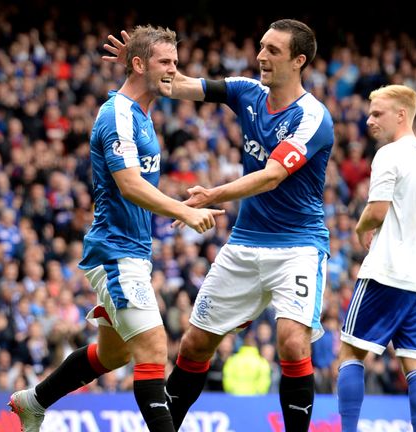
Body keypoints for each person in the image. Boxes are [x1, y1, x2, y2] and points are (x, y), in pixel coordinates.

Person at [104, 19, 333, 431]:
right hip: (245, 244)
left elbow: (272, 174)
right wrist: (139, 69)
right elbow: (179, 85)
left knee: (293, 342)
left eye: (273, 51)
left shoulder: (314, 117)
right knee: (193, 343)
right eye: (261, 46)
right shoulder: (247, 91)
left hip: (298, 246)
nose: (261, 56)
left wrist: (213, 195)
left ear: (299, 61)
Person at [8, 25, 222, 432]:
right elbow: (128, 183)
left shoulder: (141, 110)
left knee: (114, 355)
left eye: (176, 62)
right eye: (166, 63)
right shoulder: (117, 115)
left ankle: (33, 401)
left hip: (135, 250)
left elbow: (171, 88)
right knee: (154, 347)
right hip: (115, 251)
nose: (174, 71)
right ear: (140, 65)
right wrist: (182, 210)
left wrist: (142, 64)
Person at [336, 84, 416, 432]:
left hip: (387, 272)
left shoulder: (390, 154)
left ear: (401, 115)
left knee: (351, 353)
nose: (369, 121)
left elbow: (377, 211)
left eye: (377, 113)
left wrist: (358, 229)